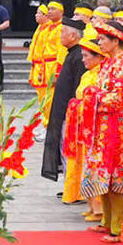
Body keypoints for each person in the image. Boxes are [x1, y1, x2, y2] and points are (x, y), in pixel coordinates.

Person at [84, 20, 123, 243]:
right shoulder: (108, 64)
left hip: (118, 128)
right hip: (103, 127)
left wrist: (93, 96)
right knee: (104, 173)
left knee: (117, 175)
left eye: (103, 40)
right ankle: (106, 221)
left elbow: (119, 100)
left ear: (116, 41)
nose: (99, 43)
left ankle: (118, 227)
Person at [63, 37, 106, 218]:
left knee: (93, 165)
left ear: (98, 57)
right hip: (81, 123)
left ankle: (99, 208)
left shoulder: (100, 75)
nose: (83, 60)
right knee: (82, 163)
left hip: (93, 125)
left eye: (87, 56)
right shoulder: (87, 74)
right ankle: (89, 202)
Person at [40, 17, 86, 183]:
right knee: (63, 148)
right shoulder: (72, 54)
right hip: (63, 111)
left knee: (70, 151)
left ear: (73, 36)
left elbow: (78, 89)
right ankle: (69, 186)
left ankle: (73, 188)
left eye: (63, 33)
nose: (60, 36)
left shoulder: (80, 57)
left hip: (71, 113)